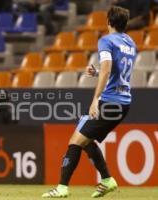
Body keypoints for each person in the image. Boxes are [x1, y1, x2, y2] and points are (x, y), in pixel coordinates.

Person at [42, 6, 136, 198]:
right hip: (122, 101)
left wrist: (95, 100)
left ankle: (62, 188)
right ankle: (107, 179)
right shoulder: (131, 42)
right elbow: (117, 73)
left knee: (75, 142)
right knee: (84, 140)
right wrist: (97, 74)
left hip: (108, 102)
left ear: (108, 21)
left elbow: (108, 69)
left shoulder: (106, 41)